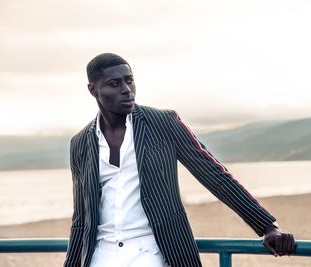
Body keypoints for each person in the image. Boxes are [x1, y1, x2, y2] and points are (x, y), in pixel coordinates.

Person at [64, 53, 296, 267]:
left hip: (153, 249)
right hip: (100, 254)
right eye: (115, 84)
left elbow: (214, 176)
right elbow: (81, 219)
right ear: (93, 90)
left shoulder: (163, 123)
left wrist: (267, 227)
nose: (127, 90)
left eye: (129, 80)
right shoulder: (80, 144)